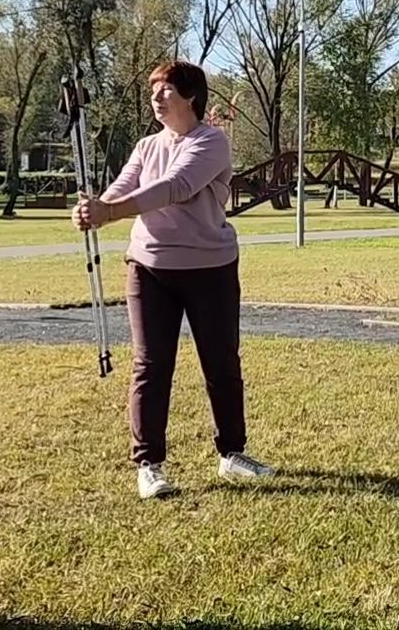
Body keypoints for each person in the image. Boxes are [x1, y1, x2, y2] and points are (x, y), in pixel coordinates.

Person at [73, 60, 275, 499]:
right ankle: (149, 466)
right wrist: (96, 208)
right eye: (154, 91)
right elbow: (123, 187)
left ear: (191, 97)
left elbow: (175, 186)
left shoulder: (212, 142)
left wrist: (110, 211)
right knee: (151, 365)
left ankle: (232, 455)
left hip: (211, 268)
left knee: (221, 362)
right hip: (149, 269)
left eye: (166, 90)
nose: (157, 97)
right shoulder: (146, 146)